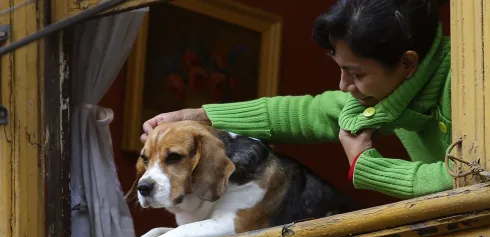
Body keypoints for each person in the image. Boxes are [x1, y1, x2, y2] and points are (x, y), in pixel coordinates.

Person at [140, 0, 452, 199]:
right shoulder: (385, 92)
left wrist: (366, 166)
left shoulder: (467, 81)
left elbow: (474, 176)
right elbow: (301, 113)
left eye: (355, 74)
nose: (344, 85)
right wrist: (201, 116)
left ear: (408, 64)